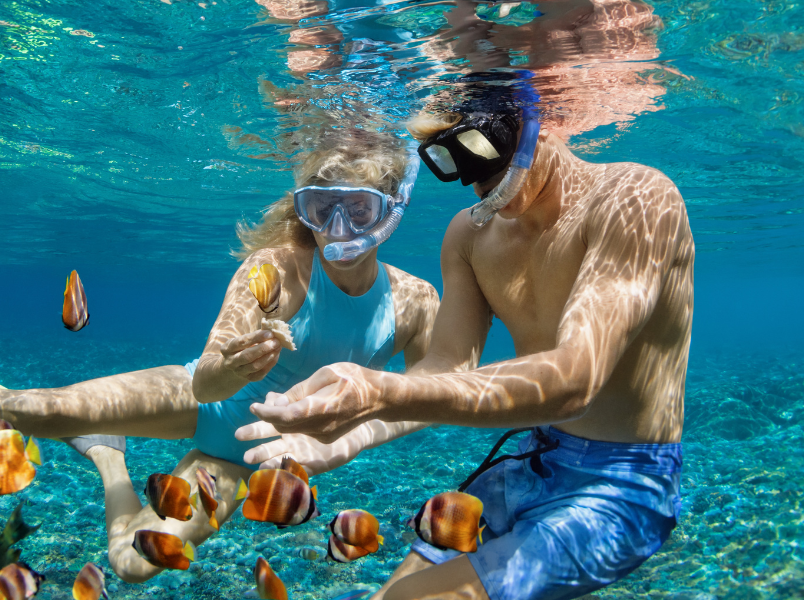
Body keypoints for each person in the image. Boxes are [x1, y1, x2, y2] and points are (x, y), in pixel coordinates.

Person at [0, 126, 440, 584]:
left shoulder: (415, 303)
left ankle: (106, 455)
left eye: (358, 209)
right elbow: (208, 373)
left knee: (133, 565)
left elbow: (436, 393)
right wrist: (233, 365)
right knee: (35, 408)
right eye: (320, 209)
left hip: (243, 460)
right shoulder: (276, 270)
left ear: (392, 212)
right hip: (196, 398)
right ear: (303, 209)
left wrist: (355, 429)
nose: (338, 230)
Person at [236, 77, 694, 600]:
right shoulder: (469, 236)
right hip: (531, 458)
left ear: (537, 122)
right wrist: (348, 436)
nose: (479, 185)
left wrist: (379, 393)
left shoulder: (635, 197)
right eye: (456, 165)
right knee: (393, 593)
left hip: (623, 485)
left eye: (488, 154)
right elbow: (447, 366)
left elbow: (577, 377)